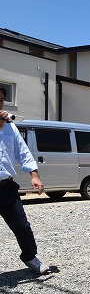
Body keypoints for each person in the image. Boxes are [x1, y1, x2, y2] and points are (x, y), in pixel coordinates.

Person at [0, 87, 49, 275]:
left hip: (6, 187)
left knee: (22, 226)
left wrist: (34, 175)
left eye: (2, 100)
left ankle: (30, 257)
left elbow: (22, 151)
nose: (0, 104)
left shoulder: (9, 125)